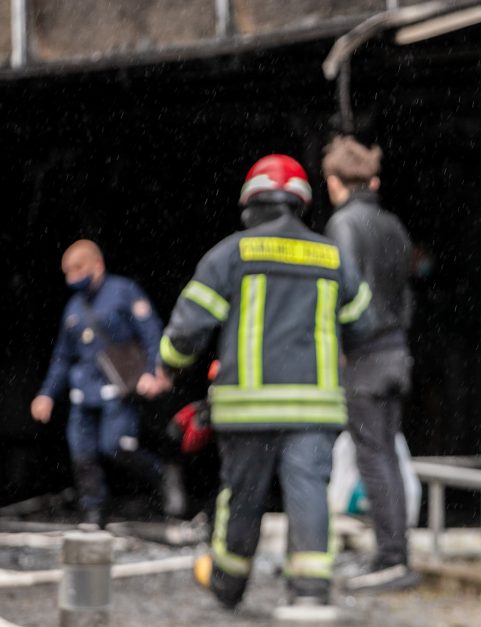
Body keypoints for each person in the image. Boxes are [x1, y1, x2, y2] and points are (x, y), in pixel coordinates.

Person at [138, 154, 372, 608]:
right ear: (302, 201)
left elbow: (185, 331)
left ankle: (228, 582)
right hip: (313, 408)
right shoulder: (332, 257)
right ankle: (310, 592)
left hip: (247, 409)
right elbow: (363, 324)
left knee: (242, 497)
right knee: (308, 493)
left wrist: (167, 366)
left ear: (251, 202)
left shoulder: (231, 253)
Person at [321, 136, 419, 592]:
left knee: (374, 458)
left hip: (365, 358)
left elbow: (346, 295)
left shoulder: (343, 225)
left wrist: (340, 346)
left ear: (335, 182)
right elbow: (405, 291)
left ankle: (391, 559)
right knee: (386, 457)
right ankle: (393, 553)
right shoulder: (392, 224)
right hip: (396, 351)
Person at [31, 239, 173, 527]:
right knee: (81, 453)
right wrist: (46, 394)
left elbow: (151, 333)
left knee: (118, 447)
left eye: (77, 268)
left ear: (97, 265)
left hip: (118, 388)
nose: (72, 277)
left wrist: (154, 370)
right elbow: (62, 356)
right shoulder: (73, 307)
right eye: (67, 272)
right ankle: (94, 510)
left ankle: (162, 478)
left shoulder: (123, 292)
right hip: (84, 390)